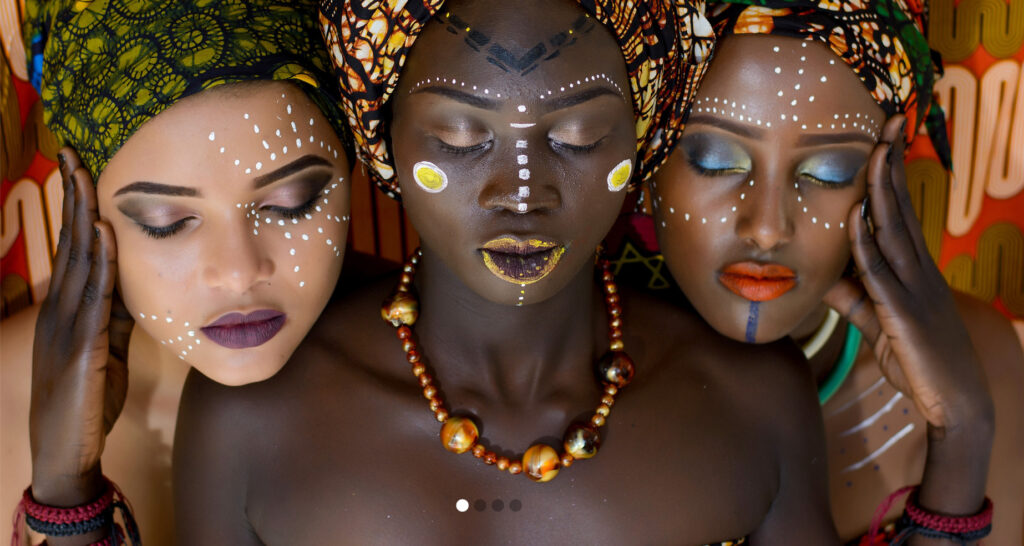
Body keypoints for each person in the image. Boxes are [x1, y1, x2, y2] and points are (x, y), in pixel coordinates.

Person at [172, 0, 843, 543]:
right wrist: (67, 497)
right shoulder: (249, 421)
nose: (521, 194)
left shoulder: (752, 402)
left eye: (577, 137)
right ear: (384, 142)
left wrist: (953, 454)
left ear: (644, 139)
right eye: (462, 139)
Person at [648, 0, 1024, 543]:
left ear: (885, 172)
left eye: (827, 171)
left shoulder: (978, 364)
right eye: (714, 160)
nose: (768, 228)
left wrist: (962, 433)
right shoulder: (576, 390)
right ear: (646, 153)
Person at [13, 0, 353, 542]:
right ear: (83, 211)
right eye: (167, 222)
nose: (239, 273)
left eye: (291, 203)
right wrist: (64, 486)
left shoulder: (441, 381)